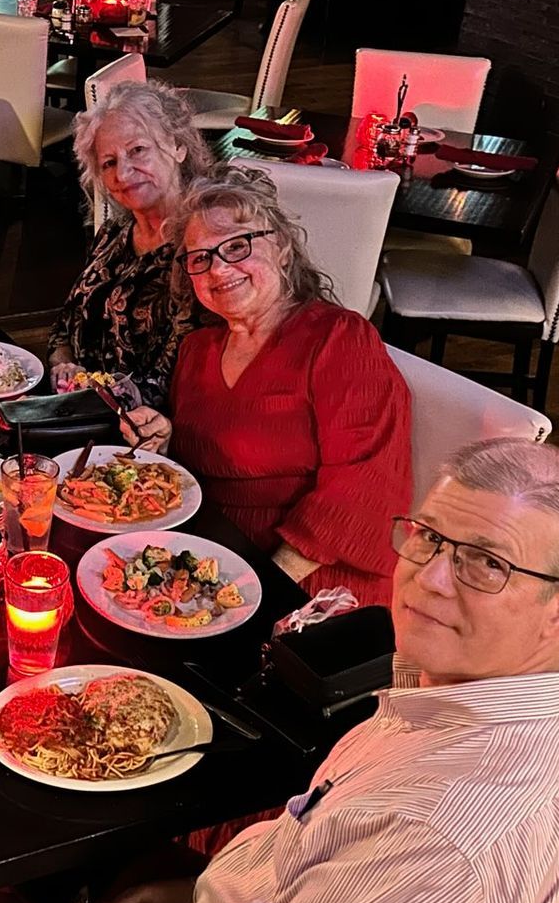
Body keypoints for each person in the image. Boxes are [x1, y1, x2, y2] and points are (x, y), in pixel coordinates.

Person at [0, 438, 559, 903]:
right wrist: (198, 893)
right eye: (428, 538)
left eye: (485, 563)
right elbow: (317, 881)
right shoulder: (516, 730)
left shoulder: (445, 843)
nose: (430, 578)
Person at [124, 166, 410, 603]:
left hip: (310, 584)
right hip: (210, 561)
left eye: (237, 246)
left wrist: (258, 590)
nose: (219, 270)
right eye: (200, 258)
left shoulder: (338, 339)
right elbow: (207, 464)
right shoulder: (197, 350)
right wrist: (166, 441)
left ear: (280, 246)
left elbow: (363, 486)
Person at [49, 82, 215, 408]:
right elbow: (64, 328)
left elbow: (176, 383)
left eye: (138, 150)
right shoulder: (114, 235)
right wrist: (63, 366)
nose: (123, 174)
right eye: (109, 163)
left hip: (147, 433)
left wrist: (92, 394)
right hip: (79, 409)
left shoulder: (203, 249)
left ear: (178, 146)